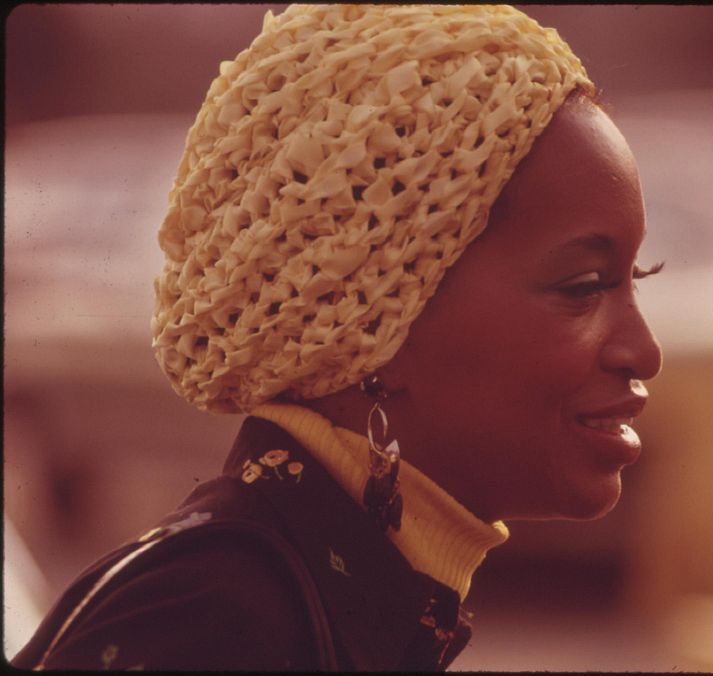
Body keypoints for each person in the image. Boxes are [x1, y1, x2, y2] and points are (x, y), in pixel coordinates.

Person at [13, 4, 661, 671]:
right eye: (584, 286)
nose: (643, 351)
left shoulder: (336, 592)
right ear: (383, 322)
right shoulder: (216, 620)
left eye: (637, 276)